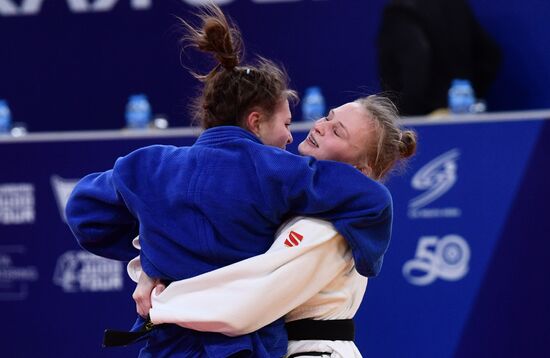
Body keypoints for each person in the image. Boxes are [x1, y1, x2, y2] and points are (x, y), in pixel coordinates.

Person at [66, 4, 394, 358]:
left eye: (336, 129)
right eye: (285, 124)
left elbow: (83, 210)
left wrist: (159, 253)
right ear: (255, 121)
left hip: (166, 347)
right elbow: (373, 201)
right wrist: (370, 255)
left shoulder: (149, 165)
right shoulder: (279, 173)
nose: (292, 135)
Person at [130, 96, 417, 357]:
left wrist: (164, 304)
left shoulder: (331, 229)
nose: (320, 126)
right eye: (328, 117)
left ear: (359, 171)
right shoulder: (293, 200)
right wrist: (152, 268)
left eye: (337, 131)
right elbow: (207, 239)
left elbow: (251, 300)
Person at [377, 0, 501, 115]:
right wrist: (468, 94)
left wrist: (405, 118)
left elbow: (416, 65)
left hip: (424, 121)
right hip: (464, 114)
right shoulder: (456, 5)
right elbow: (490, 55)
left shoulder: (400, 11)